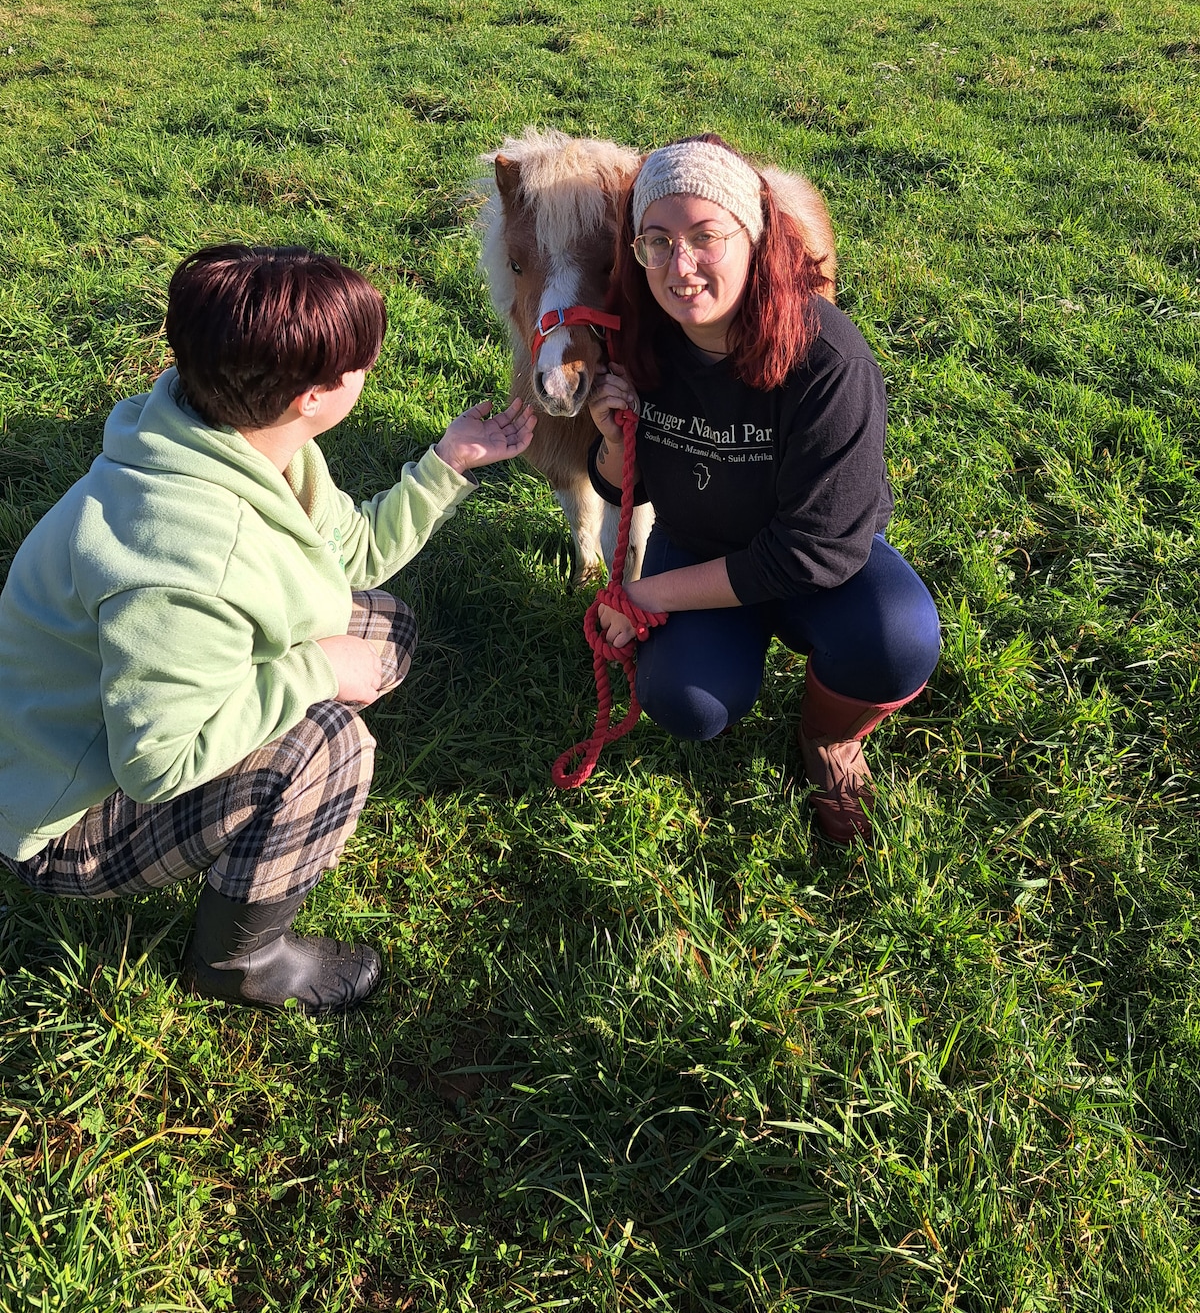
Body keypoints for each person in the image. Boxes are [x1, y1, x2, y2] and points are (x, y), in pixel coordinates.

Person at [0, 245, 534, 1013]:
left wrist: (447, 463)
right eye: (360, 368)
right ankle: (240, 960)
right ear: (311, 397)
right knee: (325, 743)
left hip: (131, 704)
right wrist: (314, 673)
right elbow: (156, 763)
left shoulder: (238, 434)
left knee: (383, 626)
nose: (369, 372)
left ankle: (282, 796)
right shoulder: (181, 563)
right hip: (66, 816)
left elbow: (352, 553)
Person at [587, 135, 941, 843]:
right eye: (655, 242)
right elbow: (630, 485)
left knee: (897, 639)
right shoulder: (647, 341)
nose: (679, 267)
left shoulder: (828, 357)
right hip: (700, 542)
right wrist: (615, 440)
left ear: (752, 236)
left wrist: (647, 594)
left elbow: (815, 552)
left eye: (704, 237)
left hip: (817, 565)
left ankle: (830, 740)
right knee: (685, 703)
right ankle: (730, 653)